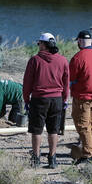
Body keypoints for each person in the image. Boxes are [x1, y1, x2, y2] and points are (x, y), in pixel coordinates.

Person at [23, 32, 68, 169]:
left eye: (39, 43)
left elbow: (27, 83)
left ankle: (36, 158)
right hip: (57, 99)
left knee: (36, 130)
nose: (38, 45)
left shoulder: (35, 60)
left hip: (39, 98)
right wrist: (64, 99)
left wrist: (26, 100)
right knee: (53, 130)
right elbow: (66, 83)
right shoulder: (63, 60)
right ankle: (52, 158)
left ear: (43, 45)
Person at [68, 29, 92, 163]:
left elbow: (71, 77)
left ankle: (88, 154)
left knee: (83, 125)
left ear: (79, 41)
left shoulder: (78, 57)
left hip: (83, 97)